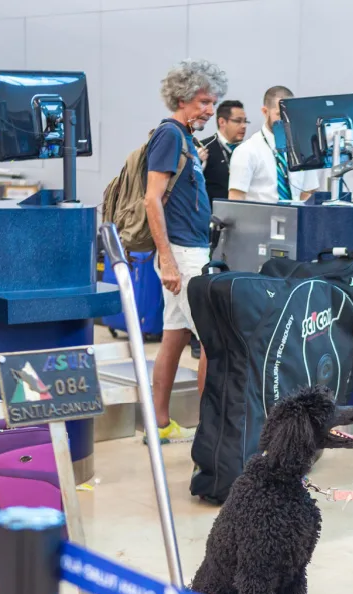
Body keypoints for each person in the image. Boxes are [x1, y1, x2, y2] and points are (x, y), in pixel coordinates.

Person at [145, 58, 228, 444]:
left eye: (213, 103)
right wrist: (167, 259)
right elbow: (152, 200)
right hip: (183, 254)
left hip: (188, 250)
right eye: (204, 102)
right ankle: (212, 430)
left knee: (174, 336)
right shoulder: (170, 136)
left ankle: (159, 424)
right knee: (214, 339)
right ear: (181, 98)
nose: (210, 111)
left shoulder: (184, 141)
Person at [228, 86, 319, 203]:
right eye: (279, 114)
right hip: (259, 220)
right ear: (265, 112)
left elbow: (308, 193)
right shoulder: (246, 151)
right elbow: (236, 200)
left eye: (290, 114)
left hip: (295, 219)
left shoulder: (304, 150)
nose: (286, 120)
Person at [201, 100, 249, 204]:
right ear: (222, 122)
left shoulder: (248, 150)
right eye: (238, 121)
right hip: (212, 216)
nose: (244, 126)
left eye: (245, 121)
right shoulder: (204, 148)